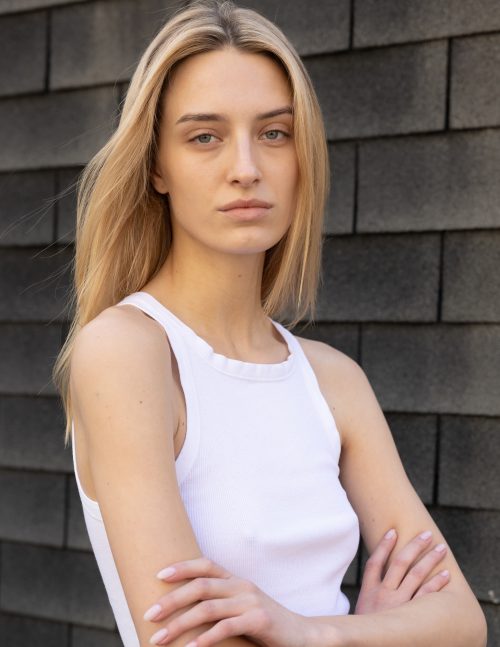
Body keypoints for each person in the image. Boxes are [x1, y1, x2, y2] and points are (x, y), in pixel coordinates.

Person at [53, 1, 487, 646]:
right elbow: (190, 639)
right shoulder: (127, 353)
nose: (246, 168)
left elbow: (462, 623)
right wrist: (381, 632)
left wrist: (317, 634)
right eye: (205, 136)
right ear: (156, 166)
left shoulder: (334, 381)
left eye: (275, 133)